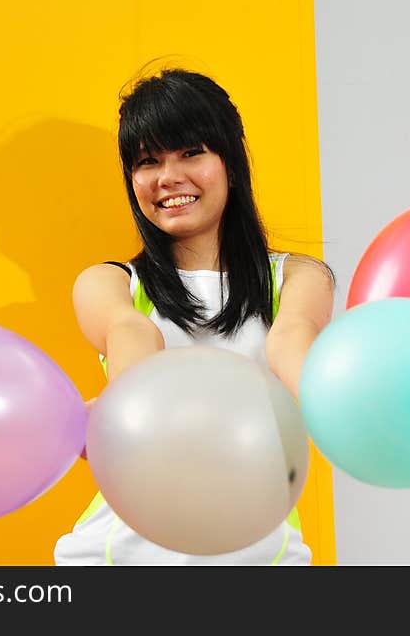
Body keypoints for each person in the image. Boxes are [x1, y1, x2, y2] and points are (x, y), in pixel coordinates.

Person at [53, 68, 335, 565]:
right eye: (147, 161)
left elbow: (290, 341)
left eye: (191, 152)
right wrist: (124, 413)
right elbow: (130, 333)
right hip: (121, 555)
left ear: (230, 160)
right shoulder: (112, 283)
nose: (168, 177)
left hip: (260, 554)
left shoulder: (297, 278)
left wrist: (338, 402)